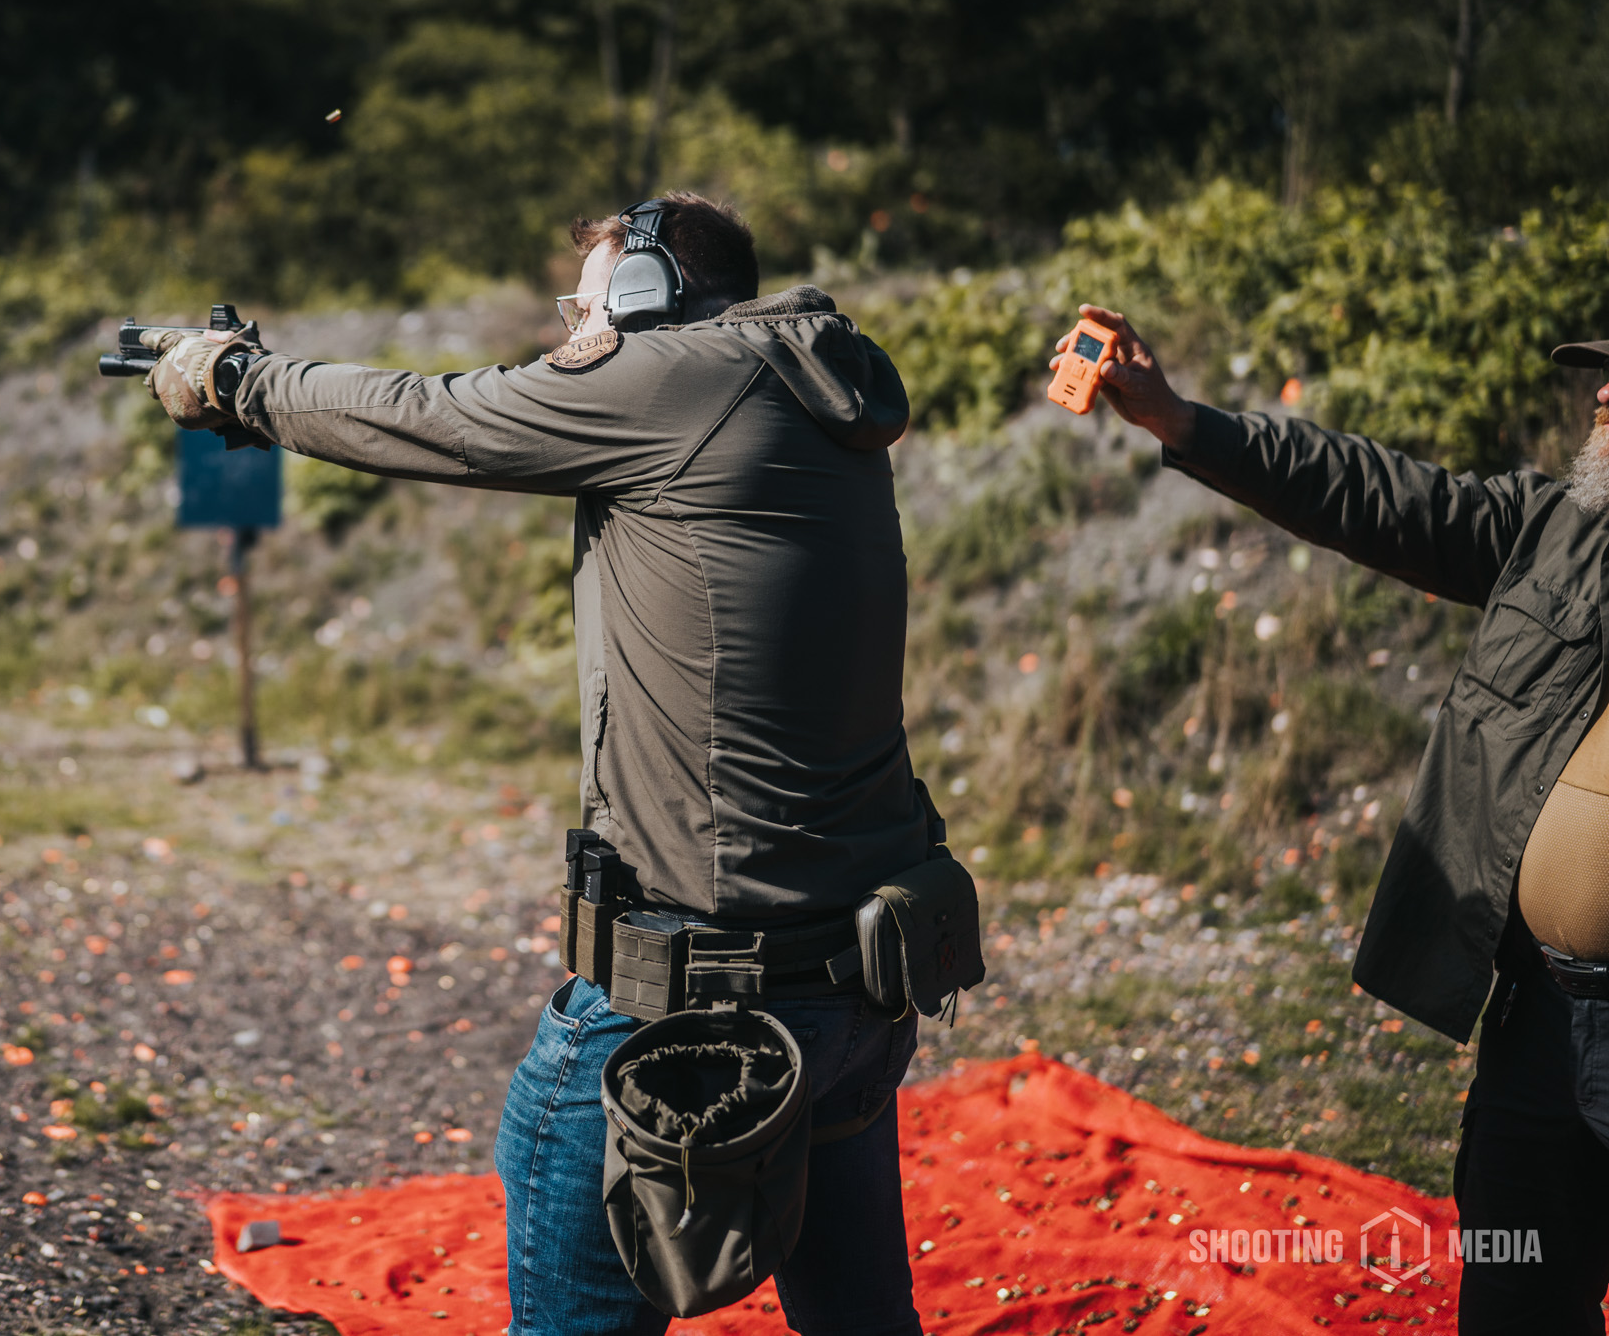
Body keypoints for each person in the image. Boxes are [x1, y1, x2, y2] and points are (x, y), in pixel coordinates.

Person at [142, 192, 935, 1335]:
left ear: (652, 293)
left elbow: (439, 416)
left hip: (697, 1006)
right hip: (850, 987)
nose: (574, 321)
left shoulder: (681, 380)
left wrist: (236, 383)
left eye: (591, 296)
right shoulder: (806, 383)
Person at [1064, 305, 1609, 1334]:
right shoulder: (1557, 528)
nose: (1599, 396)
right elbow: (1377, 496)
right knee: (1516, 1302)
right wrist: (1182, 424)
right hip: (1540, 1008)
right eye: (1599, 374)